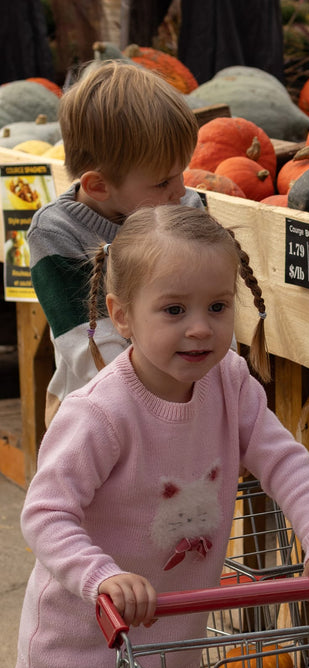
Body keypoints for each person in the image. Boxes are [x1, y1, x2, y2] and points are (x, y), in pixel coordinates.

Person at [13, 204, 309, 668]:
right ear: (122, 316)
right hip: (81, 650)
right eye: (173, 310)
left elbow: (284, 460)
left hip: (164, 650)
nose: (200, 329)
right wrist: (103, 577)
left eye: (218, 307)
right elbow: (46, 513)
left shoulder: (230, 383)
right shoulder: (101, 412)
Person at [27, 59, 204, 426]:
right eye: (162, 182)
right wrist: (152, 411)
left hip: (186, 400)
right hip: (97, 416)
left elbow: (211, 306)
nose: (183, 190)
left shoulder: (185, 206)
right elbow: (89, 347)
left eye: (181, 172)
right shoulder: (56, 233)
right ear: (98, 186)